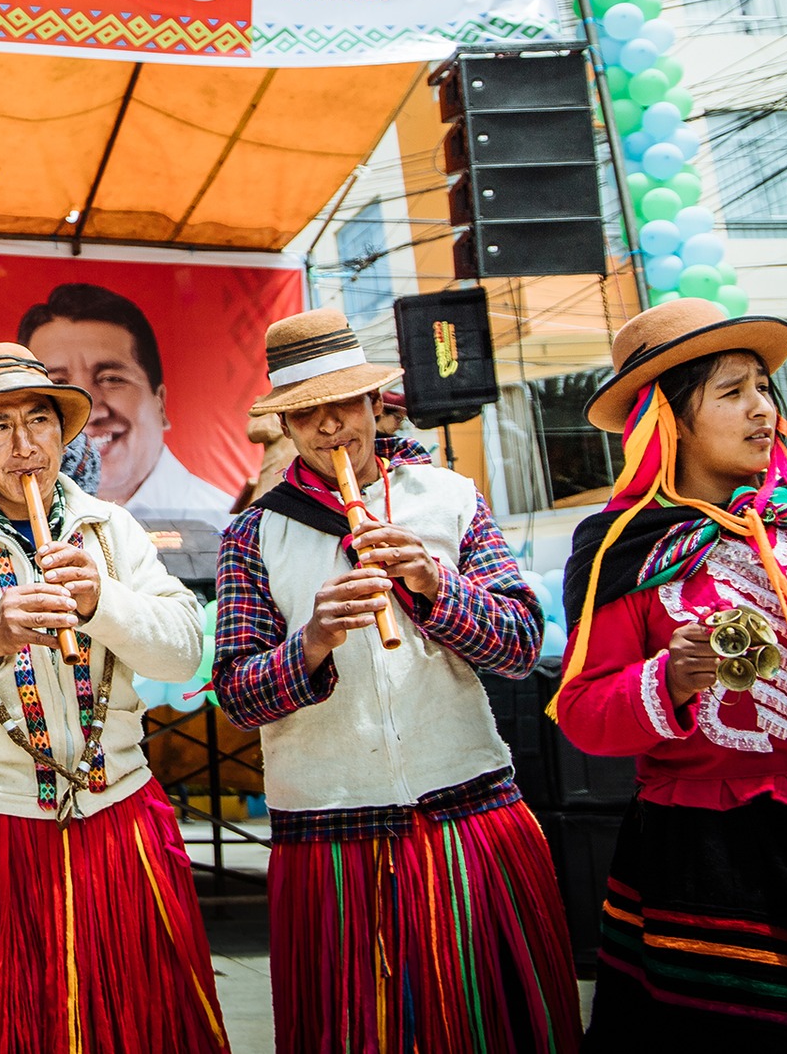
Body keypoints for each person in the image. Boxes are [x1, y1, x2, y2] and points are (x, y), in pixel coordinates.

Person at [213, 308, 577, 1053]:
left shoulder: (450, 498)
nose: (329, 429)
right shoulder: (252, 534)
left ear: (374, 404)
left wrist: (433, 582)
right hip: (329, 832)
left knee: (492, 1027)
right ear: (285, 425)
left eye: (343, 405)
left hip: (467, 811)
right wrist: (310, 642)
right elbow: (238, 693)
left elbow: (519, 645)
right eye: (306, 413)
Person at [0, 343, 231, 1054]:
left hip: (114, 814)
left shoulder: (111, 529)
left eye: (40, 421)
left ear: (64, 436)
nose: (25, 443)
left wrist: (103, 603)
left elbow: (184, 648)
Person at [555, 299, 787, 1043]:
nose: (762, 409)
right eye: (731, 393)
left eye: (764, 388)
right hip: (710, 858)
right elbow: (582, 709)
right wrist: (672, 677)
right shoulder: (625, 549)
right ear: (666, 421)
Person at [20, 282, 234, 525]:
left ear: (160, 404)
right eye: (58, 383)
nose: (90, 414)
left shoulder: (226, 526)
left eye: (111, 379)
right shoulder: (10, 529)